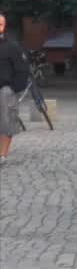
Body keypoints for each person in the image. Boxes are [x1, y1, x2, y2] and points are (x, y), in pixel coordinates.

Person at [0, 13, 30, 167]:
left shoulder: (12, 47)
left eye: (0, 24)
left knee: (6, 122)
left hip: (4, 90)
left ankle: (2, 155)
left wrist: (13, 89)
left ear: (4, 27)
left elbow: (22, 70)